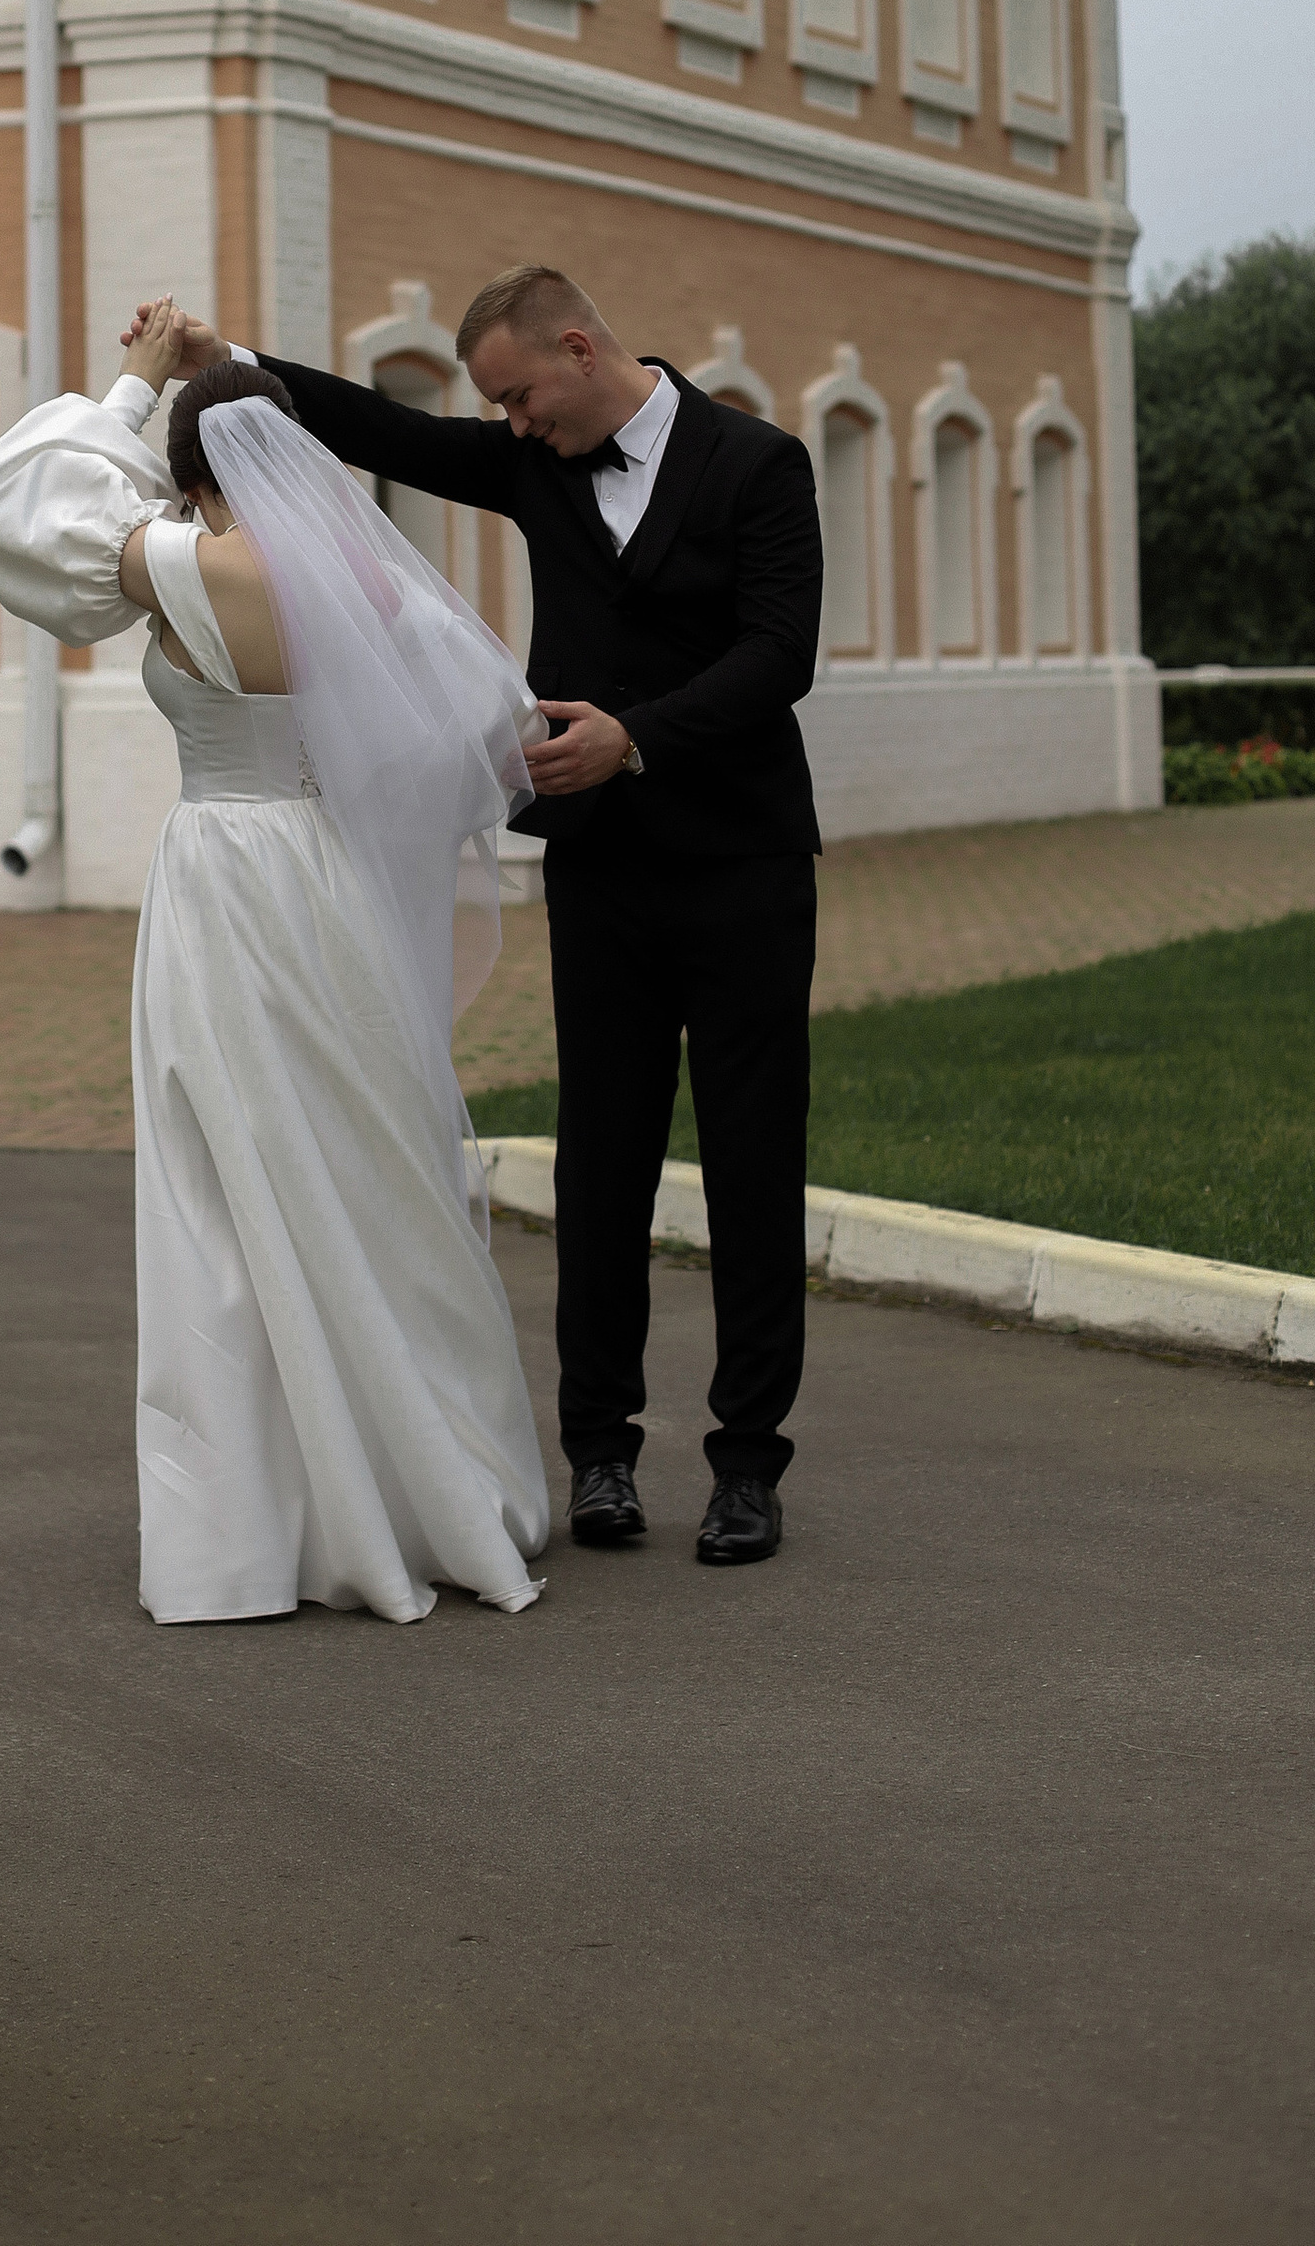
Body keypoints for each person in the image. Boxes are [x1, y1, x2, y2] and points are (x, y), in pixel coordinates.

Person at [142, 269, 823, 1569]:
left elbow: (778, 654)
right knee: (600, 1156)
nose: (508, 424)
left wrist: (637, 738)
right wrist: (218, 364)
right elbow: (386, 434)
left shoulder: (760, 465)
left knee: (749, 1157)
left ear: (578, 349)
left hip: (745, 863)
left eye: (517, 394)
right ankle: (603, 1456)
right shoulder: (538, 464)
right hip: (602, 868)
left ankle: (748, 1464)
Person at [0, 299, 551, 1626]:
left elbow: (13, 508)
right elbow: (477, 733)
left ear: (186, 471)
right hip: (329, 879)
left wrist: (131, 381)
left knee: (222, 1179)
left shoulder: (173, 559)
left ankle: (256, 1520)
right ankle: (435, 1488)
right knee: (364, 1160)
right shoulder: (375, 583)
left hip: (226, 882)